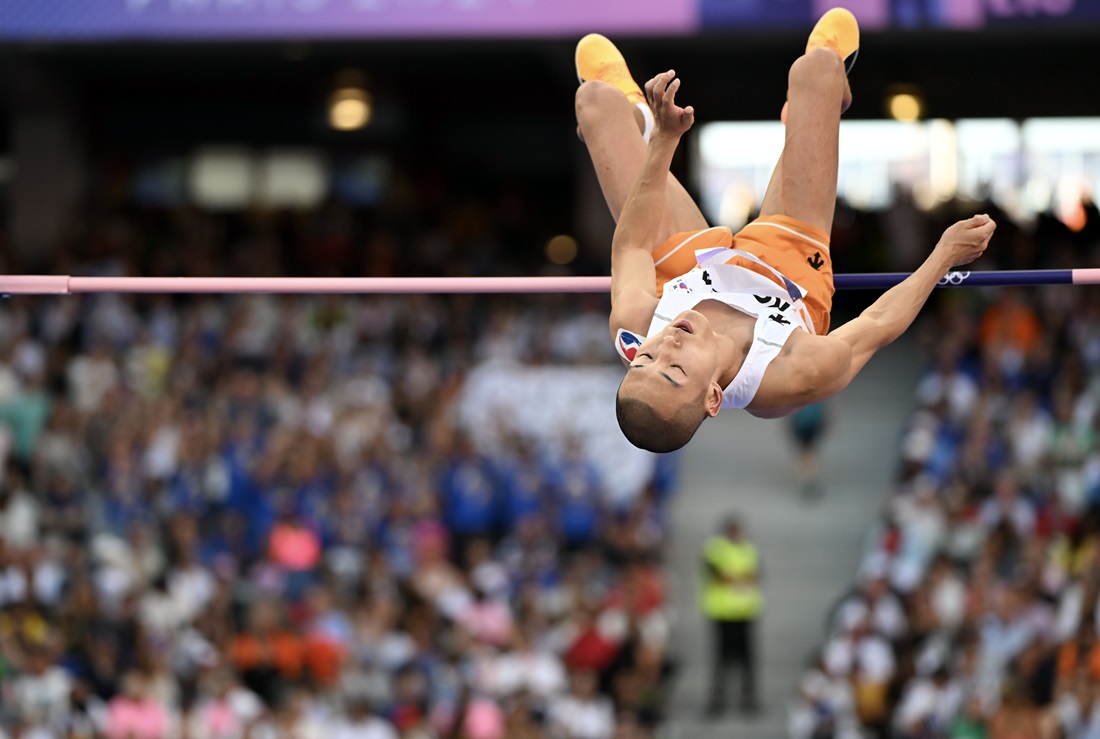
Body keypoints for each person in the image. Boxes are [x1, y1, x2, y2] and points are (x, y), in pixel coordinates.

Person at [573, 8, 997, 453]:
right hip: (787, 267)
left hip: (684, 263)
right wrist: (944, 256)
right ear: (713, 397)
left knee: (596, 103)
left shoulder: (635, 325)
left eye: (644, 358)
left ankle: (636, 114)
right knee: (817, 70)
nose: (666, 345)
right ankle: (813, 109)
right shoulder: (791, 373)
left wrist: (663, 139)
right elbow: (878, 324)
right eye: (675, 369)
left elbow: (633, 243)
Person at [699, 515, 762, 716]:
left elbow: (757, 575)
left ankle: (748, 699)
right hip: (722, 613)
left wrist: (737, 578)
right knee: (721, 659)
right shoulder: (715, 548)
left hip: (745, 612)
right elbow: (717, 575)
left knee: (747, 660)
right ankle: (718, 700)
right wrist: (741, 578)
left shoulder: (748, 549)